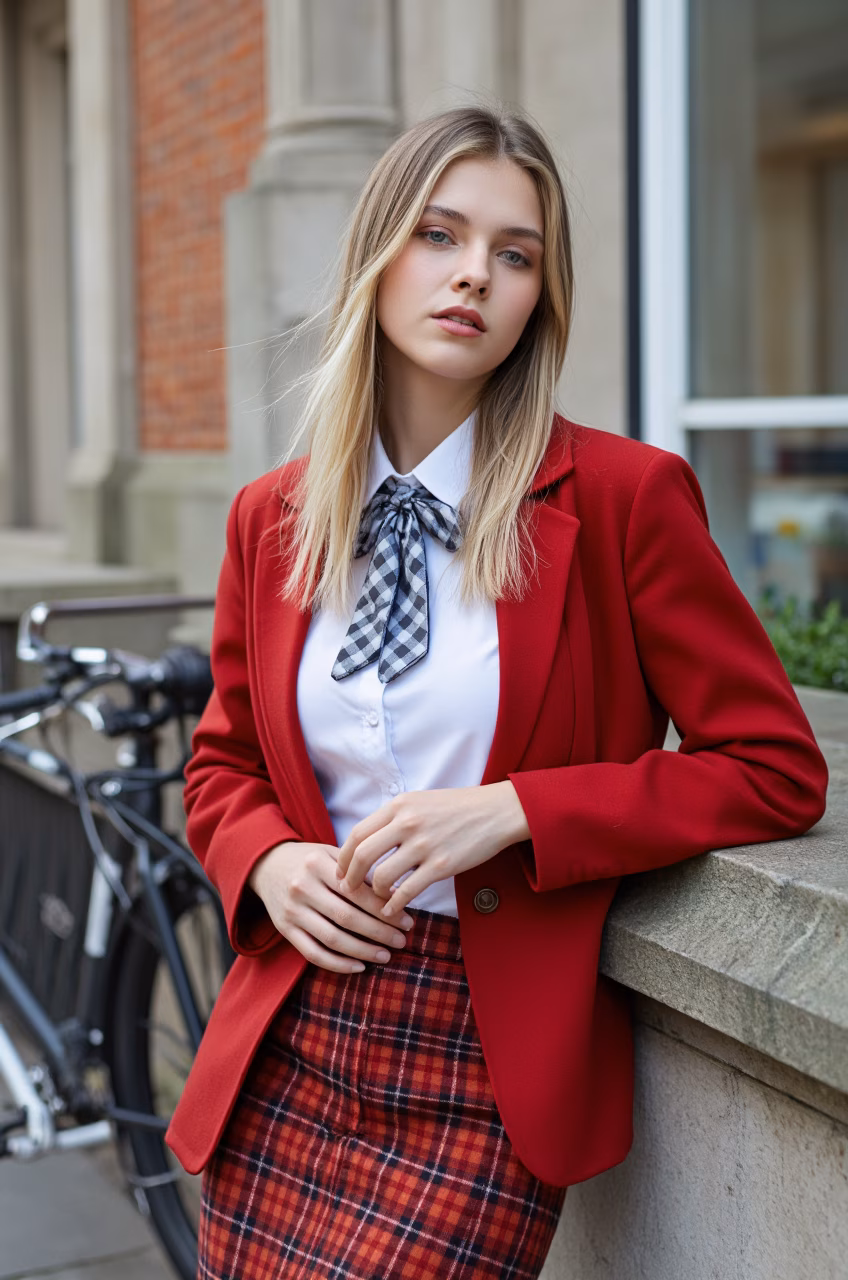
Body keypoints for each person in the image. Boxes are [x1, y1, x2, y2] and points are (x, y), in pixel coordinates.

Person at [164, 105, 828, 1278]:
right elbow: (221, 765)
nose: (474, 273)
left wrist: (520, 807)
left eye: (513, 253)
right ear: (377, 253)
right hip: (296, 1034)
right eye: (438, 234)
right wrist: (268, 861)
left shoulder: (623, 498)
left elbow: (772, 768)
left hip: (483, 1053)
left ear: (539, 296)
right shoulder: (269, 519)